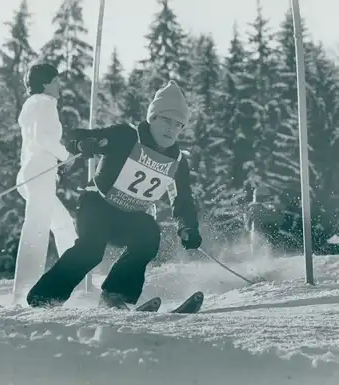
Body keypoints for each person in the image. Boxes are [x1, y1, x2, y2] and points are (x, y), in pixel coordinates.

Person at [26, 80, 202, 309]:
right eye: (166, 120)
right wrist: (82, 143)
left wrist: (187, 226)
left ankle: (114, 296)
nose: (171, 129)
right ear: (153, 119)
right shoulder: (126, 136)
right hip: (98, 205)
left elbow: (182, 198)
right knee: (91, 249)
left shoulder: (177, 161)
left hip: (130, 216)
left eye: (178, 125)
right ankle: (44, 298)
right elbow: (77, 136)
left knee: (149, 236)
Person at [12, 63, 78, 302]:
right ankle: (25, 293)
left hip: (29, 172)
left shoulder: (31, 104)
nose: (59, 85)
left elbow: (33, 138)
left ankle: (74, 277)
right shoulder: (46, 103)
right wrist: (65, 156)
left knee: (63, 223)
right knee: (37, 230)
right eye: (56, 80)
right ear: (46, 83)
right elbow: (42, 137)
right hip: (40, 172)